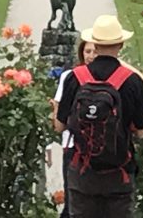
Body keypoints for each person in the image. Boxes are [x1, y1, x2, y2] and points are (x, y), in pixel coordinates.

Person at [55, 15, 143, 218]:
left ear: (94, 45)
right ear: (121, 44)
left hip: (81, 171)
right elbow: (141, 132)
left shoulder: (74, 78)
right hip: (118, 171)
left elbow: (60, 126)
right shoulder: (132, 81)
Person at [51, 40, 97, 218]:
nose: (91, 56)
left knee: (73, 203)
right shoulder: (114, 76)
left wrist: (55, 109)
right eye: (87, 51)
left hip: (74, 146)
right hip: (100, 147)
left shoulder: (70, 76)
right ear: (81, 53)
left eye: (95, 51)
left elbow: (59, 124)